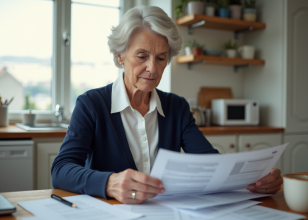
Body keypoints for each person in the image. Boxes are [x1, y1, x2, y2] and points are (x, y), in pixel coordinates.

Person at [51, 6, 283, 204]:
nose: (153, 68)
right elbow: (61, 170)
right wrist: (110, 183)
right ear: (120, 55)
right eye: (142, 56)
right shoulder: (91, 104)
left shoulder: (177, 107)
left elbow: (211, 164)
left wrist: (255, 178)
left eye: (161, 58)